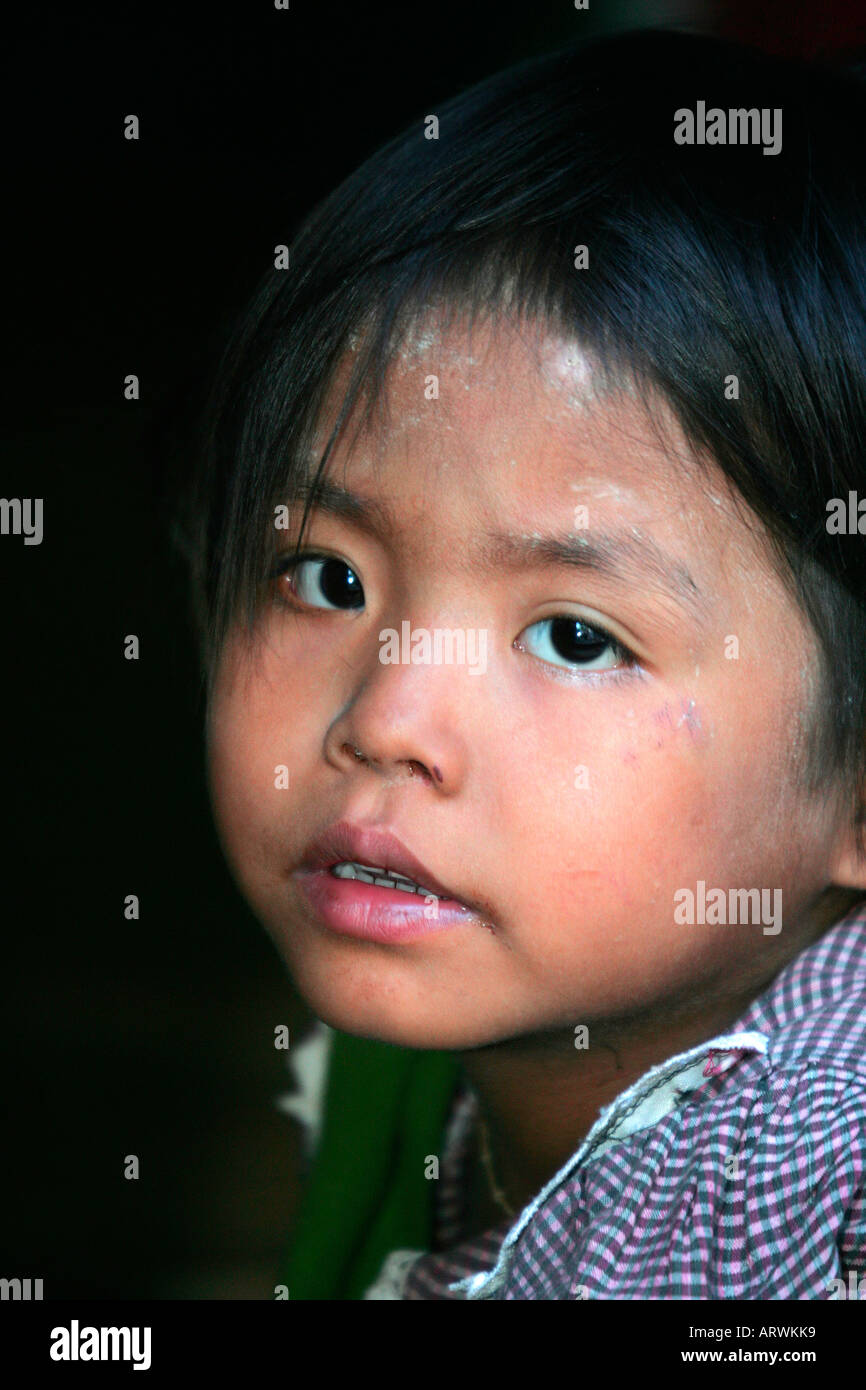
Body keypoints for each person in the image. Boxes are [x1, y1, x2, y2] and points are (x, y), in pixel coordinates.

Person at [183, 28, 866, 1298]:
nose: (388, 719)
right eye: (330, 577)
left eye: (574, 636)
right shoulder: (420, 1053)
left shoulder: (811, 1182)